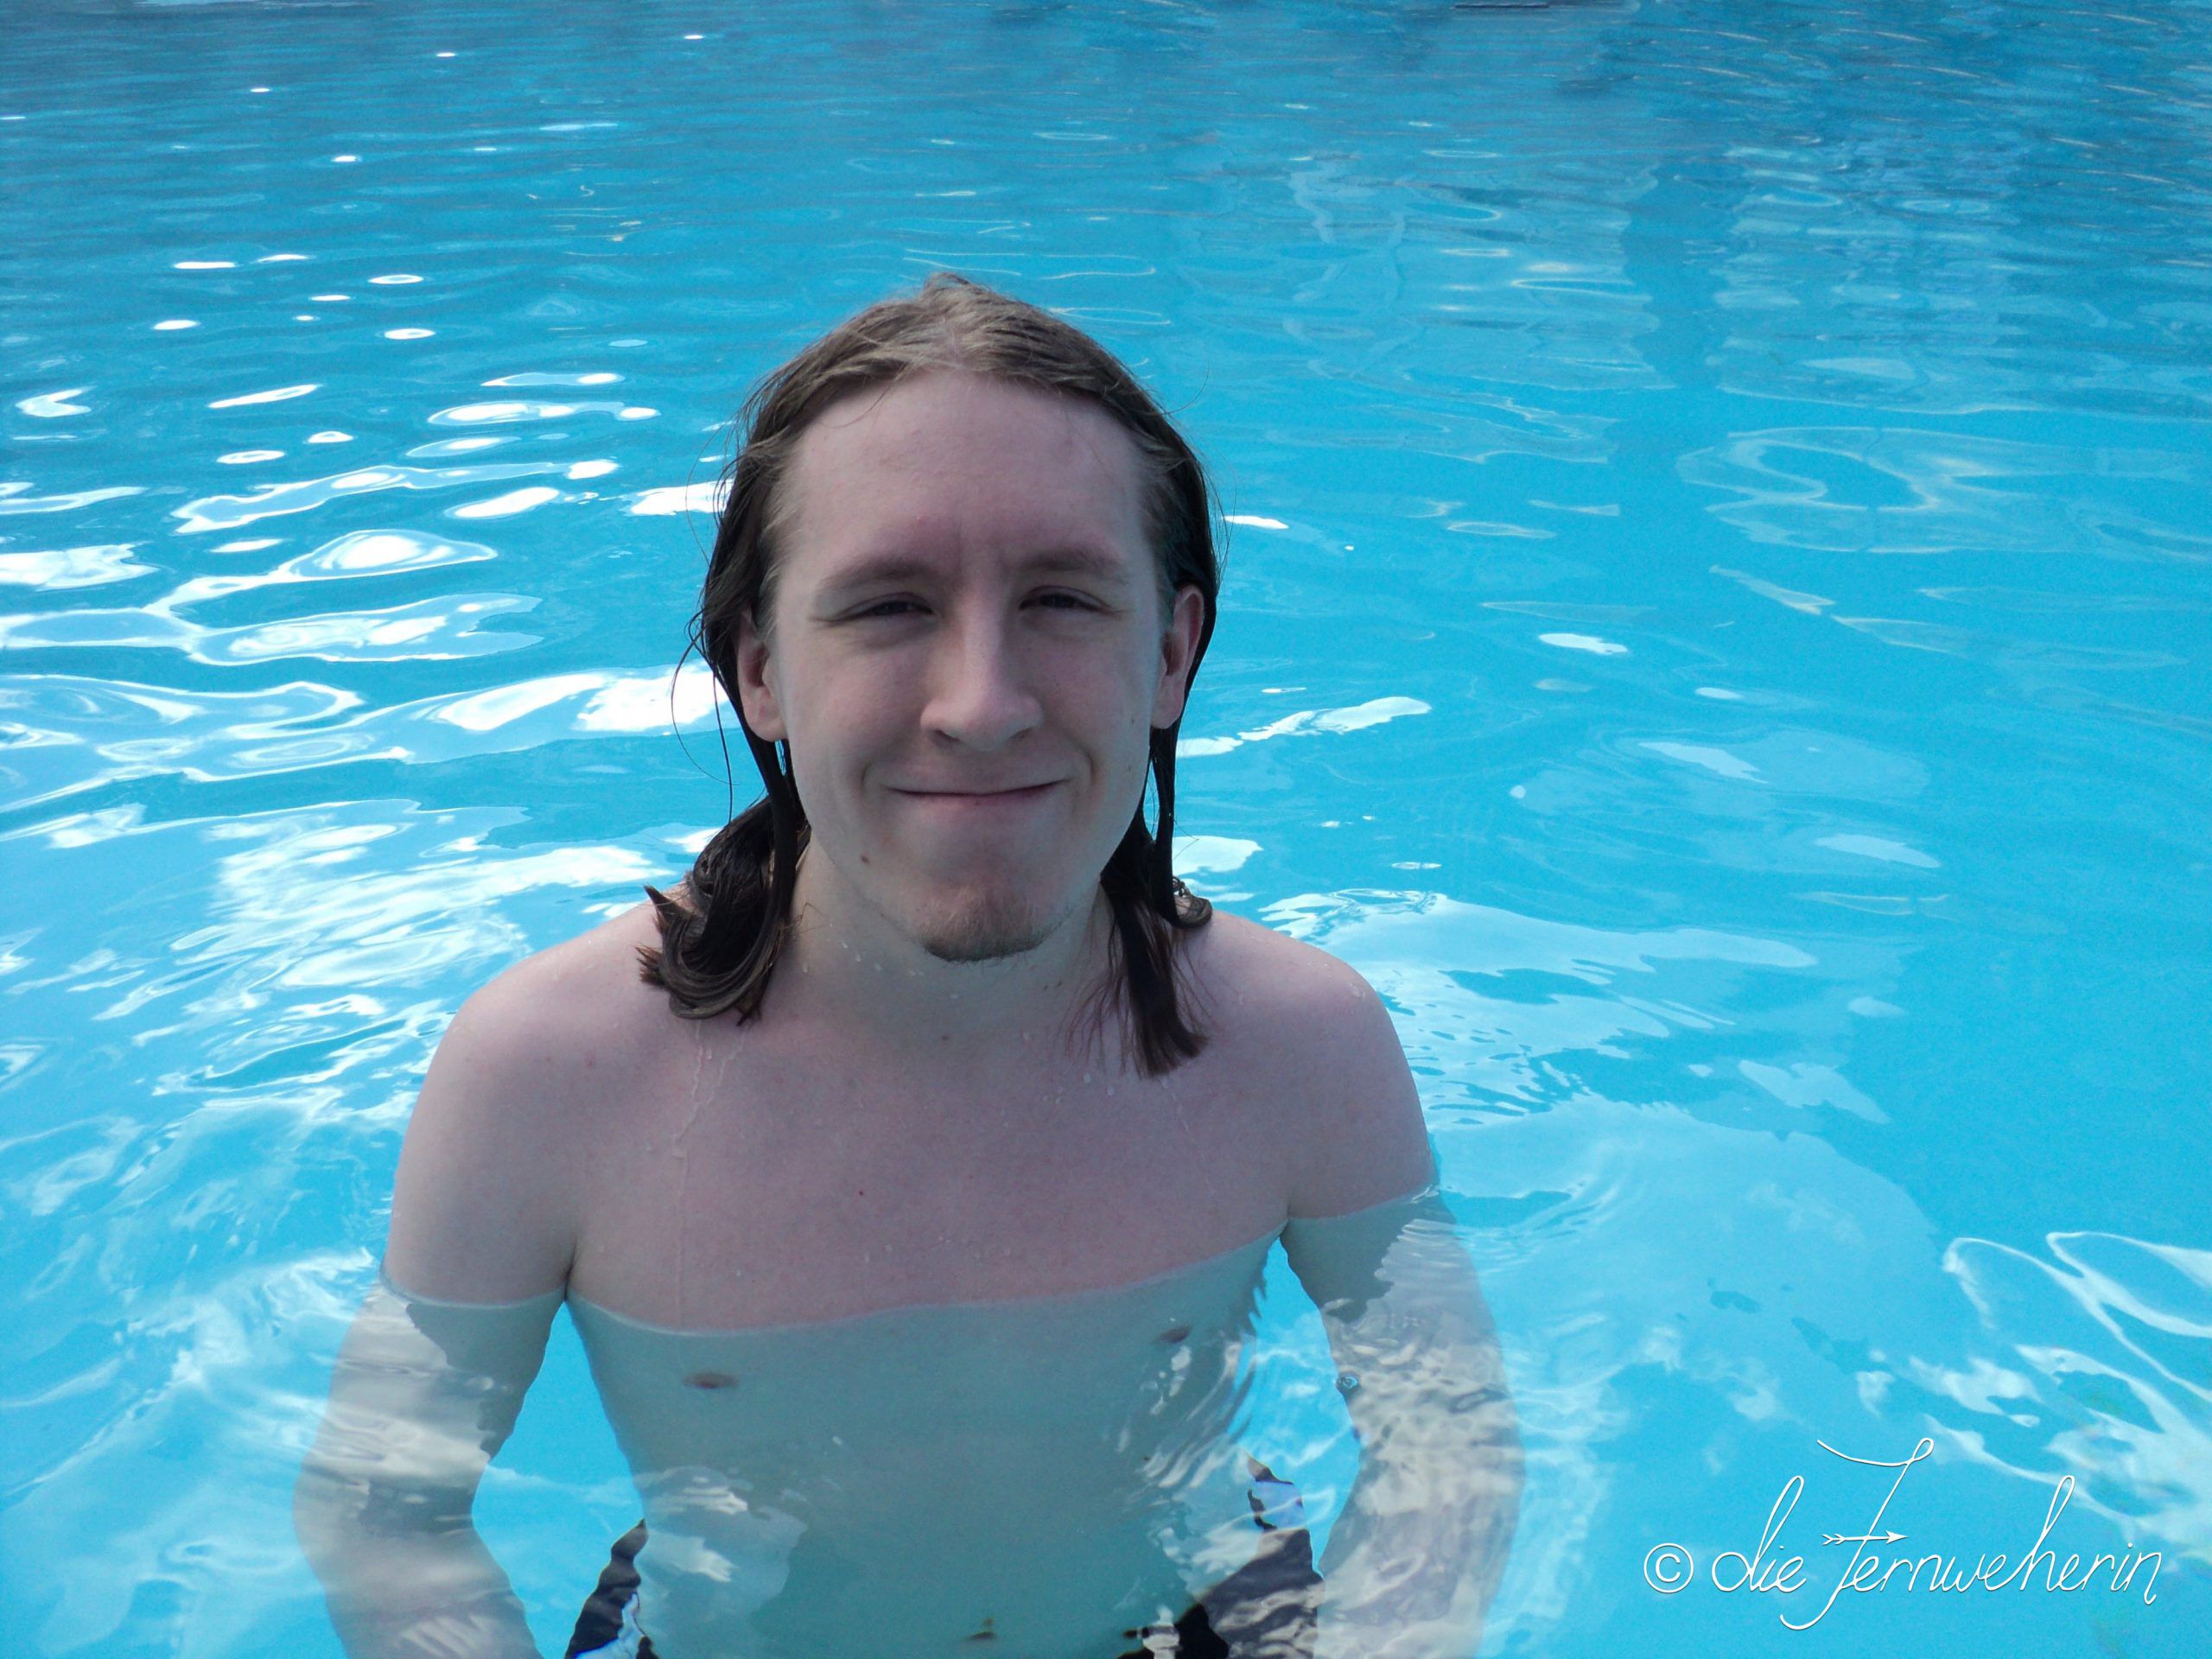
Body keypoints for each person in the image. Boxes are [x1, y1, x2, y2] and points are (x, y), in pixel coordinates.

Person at [293, 273, 1522, 1659]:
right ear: (758, 668)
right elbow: (387, 1510)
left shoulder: (1304, 1046)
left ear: (1171, 653)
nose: (982, 705)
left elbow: (1450, 1457)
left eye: (1062, 597)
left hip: (1187, 1615)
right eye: (886, 606)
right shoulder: (550, 1074)